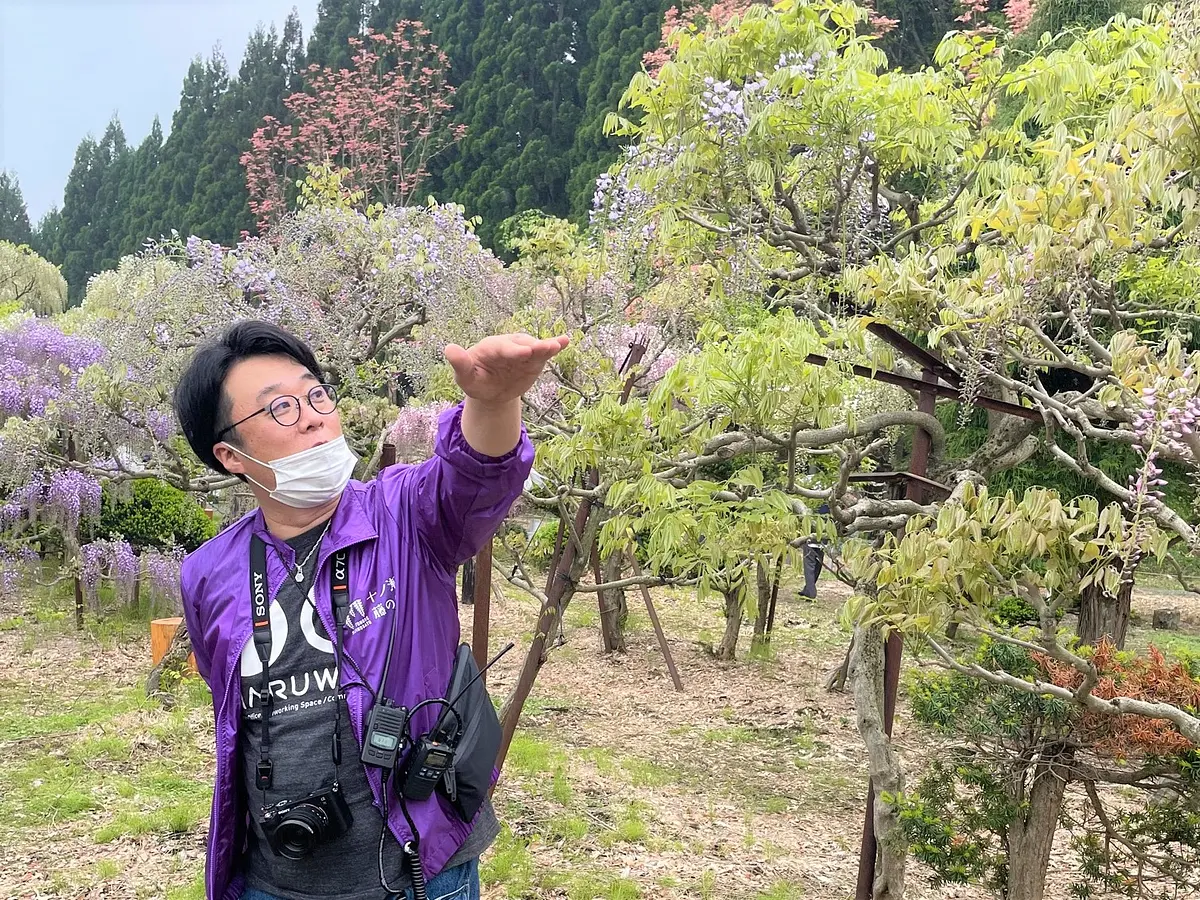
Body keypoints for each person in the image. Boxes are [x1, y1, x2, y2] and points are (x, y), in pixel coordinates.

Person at [174, 321, 569, 900]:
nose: (312, 415)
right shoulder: (208, 574)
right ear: (232, 456)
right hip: (273, 880)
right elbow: (234, 710)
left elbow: (478, 476)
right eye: (280, 408)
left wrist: (494, 401)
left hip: (419, 870)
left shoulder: (404, 513)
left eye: (315, 395)